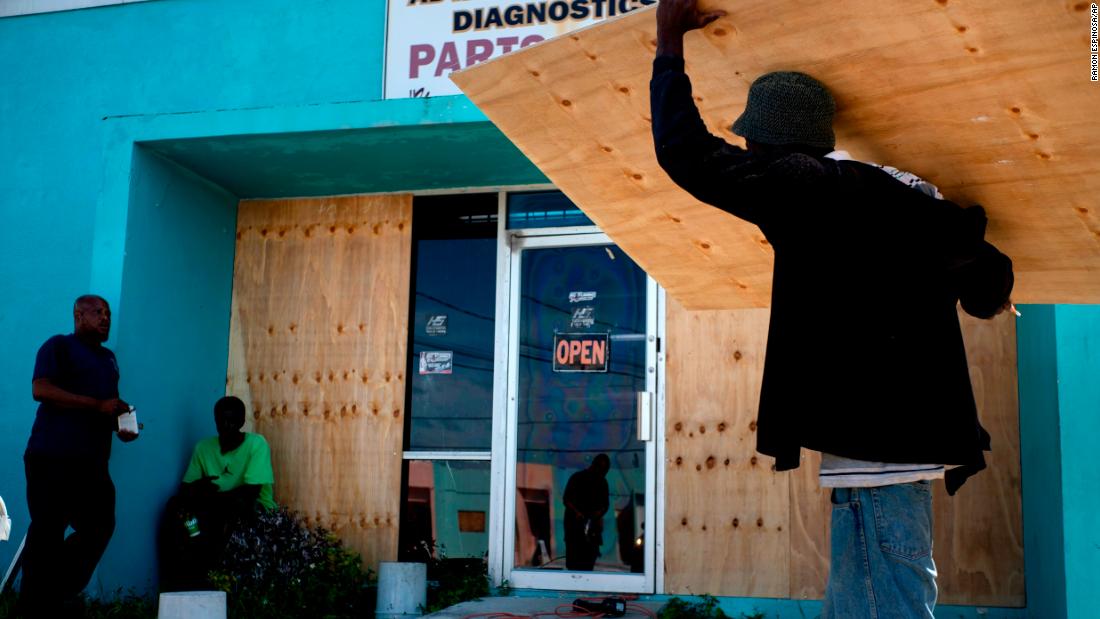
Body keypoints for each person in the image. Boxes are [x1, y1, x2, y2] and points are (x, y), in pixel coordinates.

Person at [650, 2, 1015, 617]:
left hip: (869, 439)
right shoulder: (904, 192)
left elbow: (686, 154)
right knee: (878, 589)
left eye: (749, 139)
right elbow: (989, 284)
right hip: (908, 437)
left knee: (881, 597)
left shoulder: (800, 185)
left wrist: (668, 42)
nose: (744, 147)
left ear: (768, 140)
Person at [21, 295, 138, 617]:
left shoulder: (109, 359)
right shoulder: (58, 346)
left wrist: (122, 423)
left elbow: (107, 405)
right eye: (98, 312)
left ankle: (55, 593)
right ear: (78, 314)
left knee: (100, 525)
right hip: (51, 457)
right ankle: (33, 608)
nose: (105, 318)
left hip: (92, 463)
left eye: (108, 313)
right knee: (47, 531)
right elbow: (41, 390)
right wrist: (95, 405)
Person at [161, 396, 274, 590]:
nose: (226, 425)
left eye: (232, 420)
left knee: (228, 510)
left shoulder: (256, 444)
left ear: (242, 422)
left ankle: (207, 573)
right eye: (221, 420)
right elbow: (185, 491)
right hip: (214, 509)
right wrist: (201, 491)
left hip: (253, 510)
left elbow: (249, 494)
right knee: (176, 507)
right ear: (215, 420)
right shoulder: (203, 447)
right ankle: (183, 571)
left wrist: (204, 493)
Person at [562, 454, 610, 571]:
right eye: (602, 469)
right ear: (595, 466)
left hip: (591, 533)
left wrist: (595, 516)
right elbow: (567, 499)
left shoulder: (602, 482)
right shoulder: (577, 478)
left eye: (605, 471)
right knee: (574, 565)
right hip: (574, 531)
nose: (603, 473)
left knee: (588, 564)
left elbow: (605, 505)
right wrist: (577, 513)